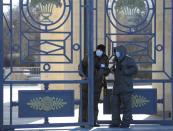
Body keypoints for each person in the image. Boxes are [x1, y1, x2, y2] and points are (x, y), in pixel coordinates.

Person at [79, 44, 109, 127]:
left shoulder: (105, 58)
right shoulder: (89, 56)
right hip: (87, 83)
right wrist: (84, 76)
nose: (100, 52)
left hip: (97, 85)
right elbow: (81, 67)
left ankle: (93, 121)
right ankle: (82, 122)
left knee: (94, 104)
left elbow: (106, 71)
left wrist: (103, 70)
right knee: (84, 103)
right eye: (99, 50)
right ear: (96, 49)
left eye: (102, 51)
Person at [109, 45, 138, 128]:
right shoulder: (116, 60)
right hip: (117, 87)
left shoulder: (129, 60)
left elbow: (135, 69)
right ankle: (115, 122)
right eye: (115, 52)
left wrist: (125, 70)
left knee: (127, 106)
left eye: (117, 52)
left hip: (126, 87)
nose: (116, 53)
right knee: (114, 104)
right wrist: (113, 70)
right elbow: (116, 71)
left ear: (122, 52)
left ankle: (125, 123)